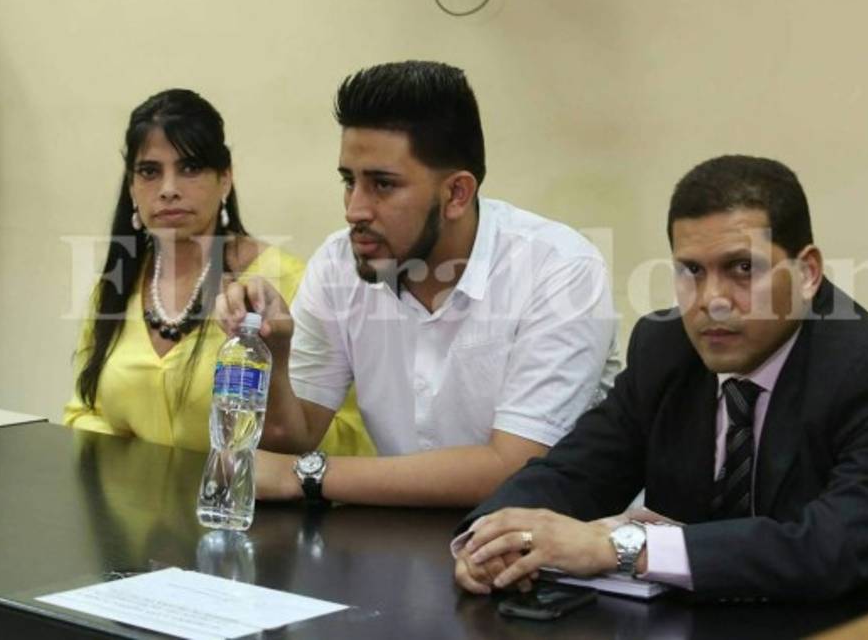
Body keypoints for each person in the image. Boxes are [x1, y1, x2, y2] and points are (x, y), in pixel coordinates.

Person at [453, 154, 868, 601]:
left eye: (742, 268)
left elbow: (826, 547)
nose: (712, 300)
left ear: (807, 273)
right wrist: (492, 537)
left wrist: (620, 547)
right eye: (691, 270)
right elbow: (576, 471)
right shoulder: (665, 347)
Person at [218, 60, 620, 507]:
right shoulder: (338, 263)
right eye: (349, 181)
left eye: (382, 185)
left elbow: (515, 469)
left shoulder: (559, 268)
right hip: (400, 533)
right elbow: (293, 439)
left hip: (554, 538)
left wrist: (307, 476)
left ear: (456, 194)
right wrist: (273, 354)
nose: (354, 209)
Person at [65, 88, 374, 457]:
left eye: (190, 168)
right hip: (128, 494)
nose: (168, 190)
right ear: (132, 186)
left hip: (249, 493)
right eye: (149, 172)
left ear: (225, 178)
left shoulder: (290, 284)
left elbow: (345, 437)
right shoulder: (116, 287)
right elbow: (84, 413)